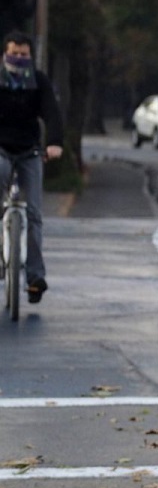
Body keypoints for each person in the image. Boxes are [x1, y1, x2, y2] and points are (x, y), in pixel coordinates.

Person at [0, 30, 64, 304]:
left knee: (35, 214)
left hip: (30, 151)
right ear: (5, 54)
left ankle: (35, 277)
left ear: (30, 55)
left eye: (23, 54)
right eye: (14, 53)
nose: (18, 58)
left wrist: (55, 142)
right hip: (1, 149)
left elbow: (52, 112)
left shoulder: (38, 81)